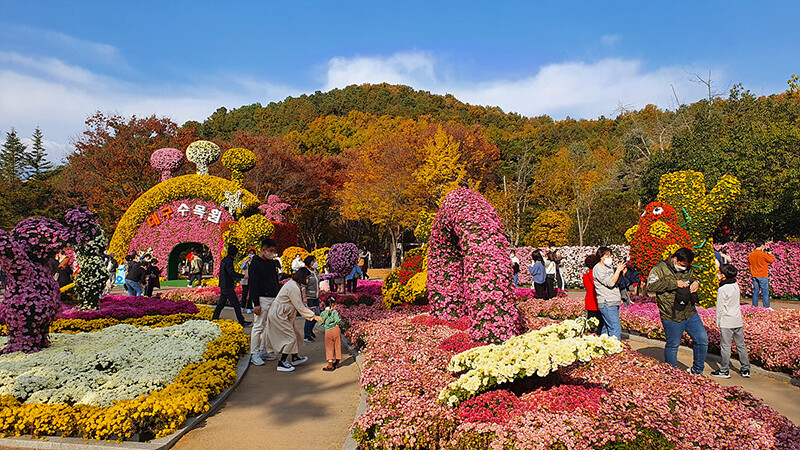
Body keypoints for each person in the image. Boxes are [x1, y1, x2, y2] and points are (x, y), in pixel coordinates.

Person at [647, 247, 708, 375]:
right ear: (675, 259)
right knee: (673, 344)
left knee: (702, 339)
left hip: (689, 311)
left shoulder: (688, 268)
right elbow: (650, 286)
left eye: (686, 266)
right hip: (671, 314)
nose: (684, 268)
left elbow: (694, 277)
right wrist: (674, 283)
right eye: (681, 265)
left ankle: (697, 371)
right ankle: (672, 374)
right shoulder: (660, 268)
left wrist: (696, 283)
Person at [264, 267, 323, 372]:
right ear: (303, 277)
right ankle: (282, 362)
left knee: (294, 334)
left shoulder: (294, 285)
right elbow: (299, 306)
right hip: (279, 315)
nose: (308, 280)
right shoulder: (293, 287)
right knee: (290, 337)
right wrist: (313, 316)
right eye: (308, 278)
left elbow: (297, 303)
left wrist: (308, 309)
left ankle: (295, 357)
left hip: (283, 314)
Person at [711, 264, 751, 379]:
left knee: (725, 346)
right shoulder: (735, 285)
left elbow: (720, 307)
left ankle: (724, 370)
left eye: (719, 273)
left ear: (723, 276)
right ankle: (745, 369)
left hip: (727, 321)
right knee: (741, 345)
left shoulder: (722, 289)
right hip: (737, 320)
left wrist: (717, 322)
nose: (718, 275)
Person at [248, 239, 282, 366]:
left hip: (273, 298)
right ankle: (254, 353)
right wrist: (255, 303)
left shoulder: (272, 263)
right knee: (258, 326)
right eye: (271, 251)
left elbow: (275, 280)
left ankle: (263, 350)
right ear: (263, 250)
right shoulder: (255, 264)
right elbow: (253, 285)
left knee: (269, 325)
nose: (273, 254)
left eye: (274, 251)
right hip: (261, 299)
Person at [212, 245, 251, 327]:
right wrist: (243, 276)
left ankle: (214, 318)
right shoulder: (229, 261)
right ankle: (242, 321)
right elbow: (231, 273)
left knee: (221, 304)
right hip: (227, 286)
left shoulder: (224, 260)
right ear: (235, 253)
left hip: (223, 285)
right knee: (236, 304)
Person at [592, 247, 626, 339]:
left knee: (607, 327)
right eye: (607, 255)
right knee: (615, 328)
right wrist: (618, 270)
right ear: (601, 256)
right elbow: (610, 283)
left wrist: (621, 273)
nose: (609, 258)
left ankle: (603, 347)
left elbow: (615, 281)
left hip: (613, 300)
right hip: (607, 302)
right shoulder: (598, 268)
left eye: (610, 255)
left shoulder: (608, 268)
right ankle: (614, 349)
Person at [748, 241, 774, 309]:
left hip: (754, 274)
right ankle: (766, 306)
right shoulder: (763, 254)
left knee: (755, 291)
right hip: (762, 275)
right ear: (762, 245)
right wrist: (769, 254)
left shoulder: (750, 255)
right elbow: (771, 261)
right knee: (765, 292)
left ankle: (754, 306)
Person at [582, 254, 604, 334]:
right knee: (600, 322)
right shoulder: (596, 274)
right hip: (597, 298)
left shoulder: (585, 276)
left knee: (590, 321)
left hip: (589, 299)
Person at [320, 298, 343, 371]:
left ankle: (330, 364)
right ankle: (337, 361)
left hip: (328, 331)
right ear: (333, 304)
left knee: (329, 347)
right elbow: (338, 320)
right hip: (336, 330)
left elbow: (320, 323)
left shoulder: (323, 313)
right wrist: (339, 324)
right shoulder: (335, 312)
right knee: (337, 345)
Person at [303, 255, 321, 343]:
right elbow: (303, 286)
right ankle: (306, 335)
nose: (315, 263)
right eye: (313, 261)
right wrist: (304, 297)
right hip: (309, 297)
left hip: (316, 297)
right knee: (310, 316)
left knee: (317, 314)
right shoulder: (306, 272)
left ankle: (310, 330)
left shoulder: (316, 271)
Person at [239, 248, 256, 313]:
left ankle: (249, 307)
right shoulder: (245, 261)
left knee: (251, 294)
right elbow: (241, 267)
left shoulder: (255, 261)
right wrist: (246, 262)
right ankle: (243, 306)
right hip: (245, 280)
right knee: (244, 294)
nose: (251, 255)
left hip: (252, 280)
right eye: (250, 254)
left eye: (252, 254)